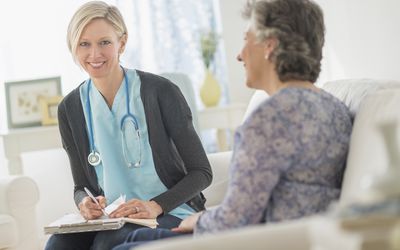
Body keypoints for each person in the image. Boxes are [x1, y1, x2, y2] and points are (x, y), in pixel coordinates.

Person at [112, 0, 353, 249]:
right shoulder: (334, 108)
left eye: (247, 39)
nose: (240, 54)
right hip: (288, 233)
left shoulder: (270, 118)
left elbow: (238, 219)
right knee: (134, 237)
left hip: (256, 240)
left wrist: (200, 220)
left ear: (269, 46)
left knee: (126, 244)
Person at [44, 1, 212, 249]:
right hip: (113, 217)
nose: (94, 54)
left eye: (104, 42)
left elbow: (202, 172)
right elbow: (81, 187)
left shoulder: (161, 92)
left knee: (105, 243)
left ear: (121, 43)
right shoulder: (70, 109)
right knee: (57, 246)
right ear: (73, 48)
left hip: (168, 211)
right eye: (84, 44)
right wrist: (84, 202)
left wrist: (155, 205)